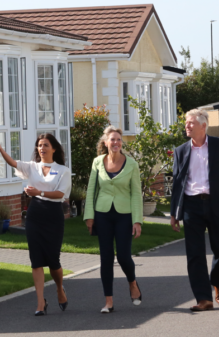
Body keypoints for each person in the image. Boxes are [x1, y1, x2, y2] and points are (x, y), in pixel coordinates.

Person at [170, 109, 219, 311]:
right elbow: (177, 184)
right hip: (191, 205)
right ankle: (204, 298)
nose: (187, 125)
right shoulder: (180, 151)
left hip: (217, 204)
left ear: (203, 126)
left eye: (191, 122)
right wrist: (174, 214)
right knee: (194, 253)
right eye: (186, 122)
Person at [0, 133, 71, 316]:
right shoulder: (32, 167)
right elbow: (13, 163)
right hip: (35, 215)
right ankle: (40, 302)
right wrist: (1, 149)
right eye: (39, 145)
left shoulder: (62, 170)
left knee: (53, 261)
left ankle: (59, 289)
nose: (42, 148)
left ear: (54, 148)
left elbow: (60, 194)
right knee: (36, 261)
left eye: (46, 145)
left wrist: (38, 191)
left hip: (53, 216)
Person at [84, 126, 143, 313]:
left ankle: (132, 282)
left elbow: (136, 194)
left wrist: (137, 220)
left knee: (124, 257)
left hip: (124, 215)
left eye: (119, 139)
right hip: (103, 214)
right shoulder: (97, 162)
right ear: (105, 142)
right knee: (106, 257)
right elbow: (91, 190)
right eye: (112, 139)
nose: (116, 142)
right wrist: (89, 216)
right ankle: (108, 301)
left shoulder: (132, 164)